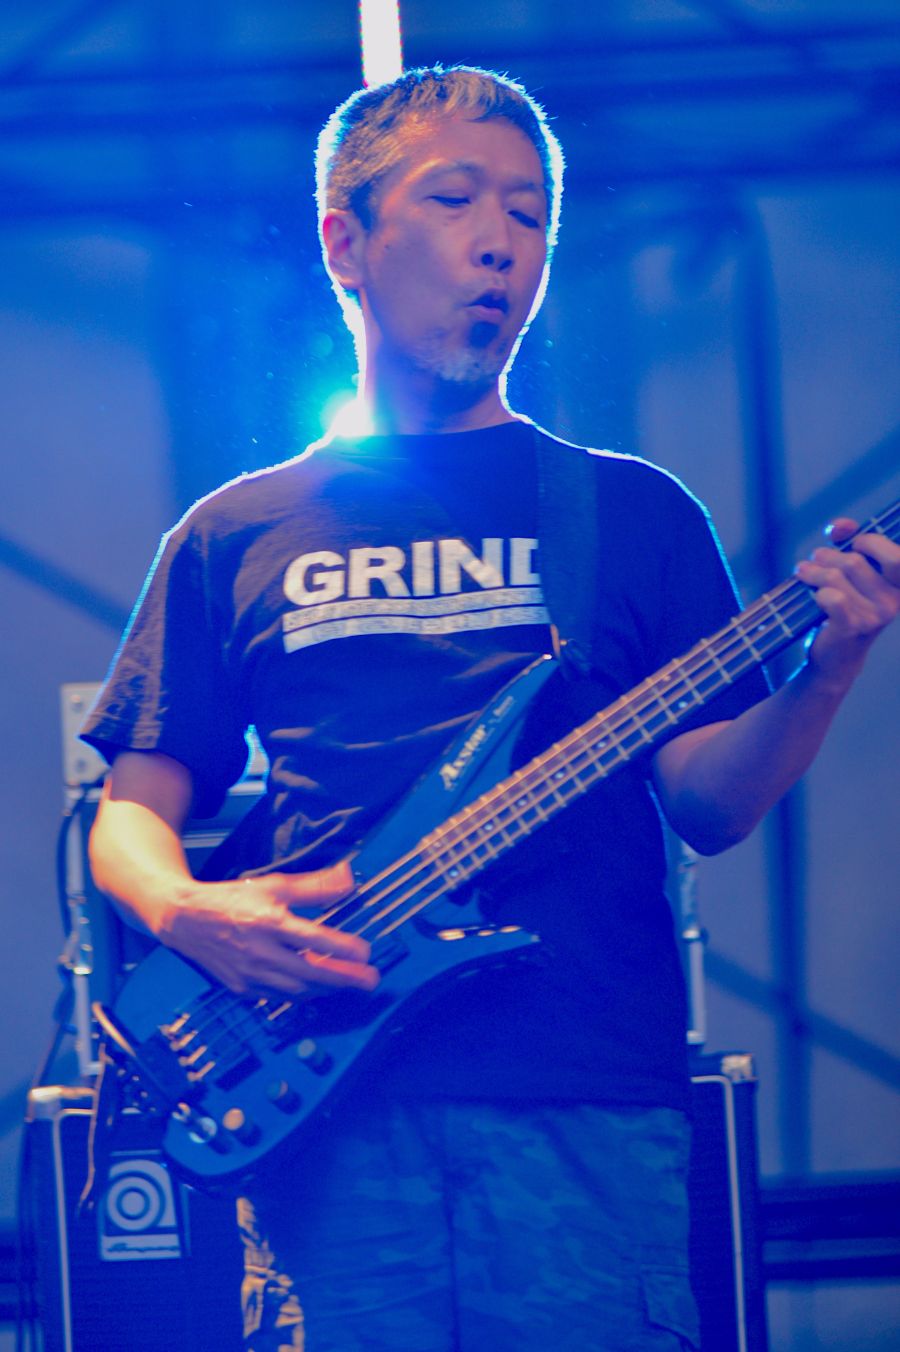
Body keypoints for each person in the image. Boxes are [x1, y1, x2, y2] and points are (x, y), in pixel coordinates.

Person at [82, 66, 899, 1352]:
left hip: (585, 1098)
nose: (500, 242)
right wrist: (190, 910)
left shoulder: (630, 511)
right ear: (345, 243)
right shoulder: (236, 530)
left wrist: (832, 665)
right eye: (455, 198)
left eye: (529, 214)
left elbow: (710, 802)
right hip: (328, 1099)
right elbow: (132, 808)